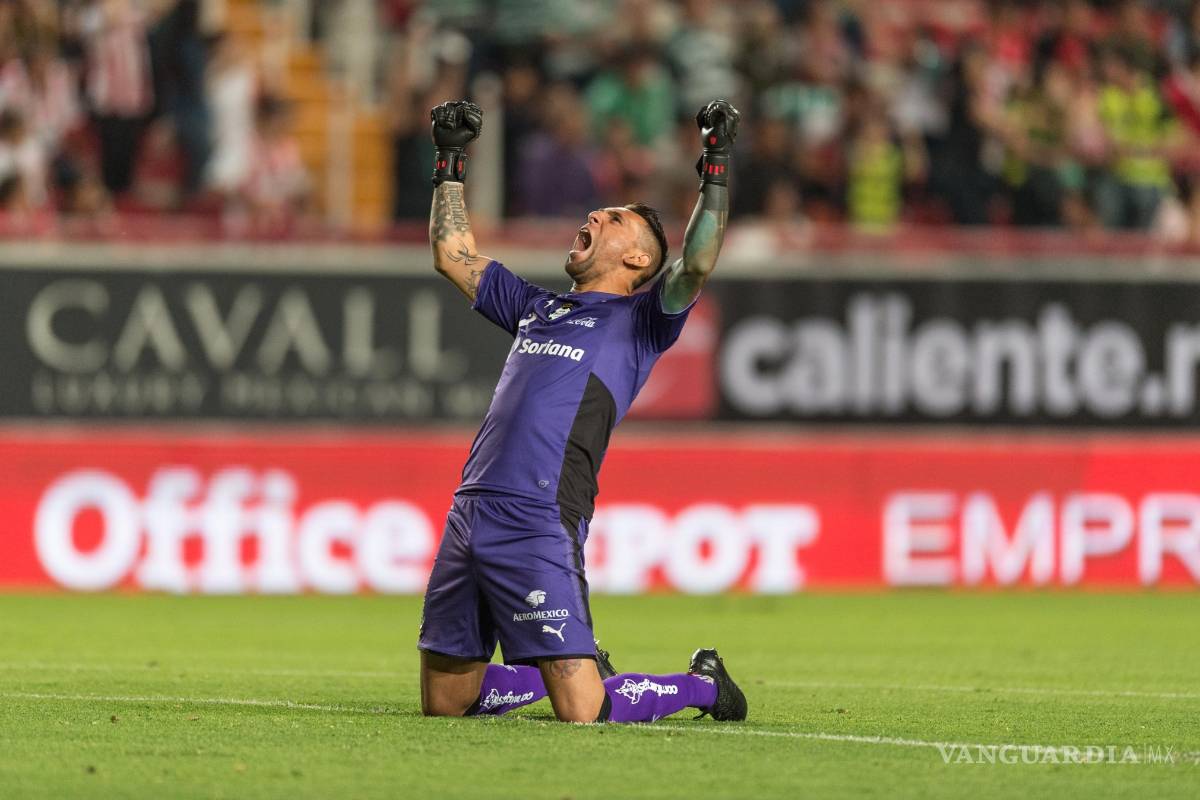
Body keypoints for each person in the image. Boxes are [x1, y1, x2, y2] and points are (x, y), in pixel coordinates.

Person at [418, 98, 747, 725]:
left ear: (639, 260)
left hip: (541, 513)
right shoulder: (534, 306)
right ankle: (562, 665)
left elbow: (698, 260)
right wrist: (450, 160)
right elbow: (452, 256)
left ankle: (704, 686)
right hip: (472, 508)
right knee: (445, 702)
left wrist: (717, 162)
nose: (596, 212)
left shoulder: (643, 322)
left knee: (584, 710)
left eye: (616, 217)